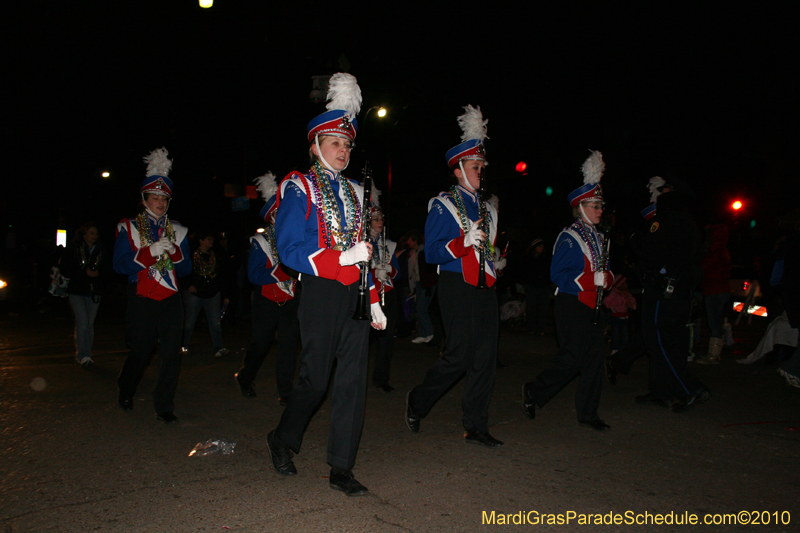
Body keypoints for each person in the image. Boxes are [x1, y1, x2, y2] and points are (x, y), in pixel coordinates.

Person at [265, 73, 386, 497]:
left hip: (356, 292)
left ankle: (341, 467)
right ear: (316, 145)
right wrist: (341, 259)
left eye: (347, 144)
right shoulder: (299, 186)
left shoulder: (356, 192)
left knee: (353, 382)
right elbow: (289, 249)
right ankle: (282, 438)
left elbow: (365, 250)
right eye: (335, 142)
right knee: (315, 381)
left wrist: (374, 298)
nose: (343, 150)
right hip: (320, 289)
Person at [405, 105, 504, 448]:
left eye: (483, 167)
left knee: (485, 359)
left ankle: (476, 426)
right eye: (476, 167)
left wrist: (495, 260)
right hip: (456, 285)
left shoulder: (489, 209)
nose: (481, 172)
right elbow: (432, 253)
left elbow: (486, 248)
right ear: (459, 170)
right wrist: (463, 242)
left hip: (485, 288)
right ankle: (418, 400)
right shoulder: (443, 204)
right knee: (459, 355)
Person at [522, 150, 614, 431]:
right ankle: (534, 390)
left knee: (594, 362)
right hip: (572, 305)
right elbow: (558, 275)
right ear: (581, 207)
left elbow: (606, 272)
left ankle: (588, 414)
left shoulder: (600, 238)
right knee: (572, 360)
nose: (600, 210)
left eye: (601, 205)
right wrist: (592, 280)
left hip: (595, 306)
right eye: (595, 206)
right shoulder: (569, 237)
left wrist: (607, 279)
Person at [113, 147, 191, 423]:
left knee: (171, 353)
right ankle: (126, 387)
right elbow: (120, 265)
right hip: (142, 296)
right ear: (144, 199)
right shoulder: (129, 226)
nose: (160, 202)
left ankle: (164, 405)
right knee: (142, 350)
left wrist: (174, 252)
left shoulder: (178, 230)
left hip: (170, 298)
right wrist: (149, 253)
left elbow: (186, 270)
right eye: (155, 197)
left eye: (164, 198)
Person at [631, 175, 709, 412]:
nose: (659, 193)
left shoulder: (668, 219)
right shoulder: (688, 221)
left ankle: (690, 389)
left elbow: (652, 250)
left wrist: (636, 240)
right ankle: (661, 391)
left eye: (663, 189)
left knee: (658, 341)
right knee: (668, 341)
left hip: (664, 289)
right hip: (678, 290)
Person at [236, 172, 301, 404]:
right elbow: (254, 275)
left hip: (291, 300)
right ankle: (245, 377)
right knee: (261, 345)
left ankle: (285, 392)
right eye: (278, 214)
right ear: (271, 218)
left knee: (288, 347)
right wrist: (281, 272)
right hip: (266, 301)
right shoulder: (260, 242)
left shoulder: (296, 241)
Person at [60, 222, 108, 367]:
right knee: (83, 322)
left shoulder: (101, 250)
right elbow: (65, 269)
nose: (94, 236)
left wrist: (98, 274)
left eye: (96, 233)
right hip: (77, 291)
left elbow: (108, 270)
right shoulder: (74, 249)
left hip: (94, 292)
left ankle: (87, 354)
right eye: (91, 233)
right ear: (84, 234)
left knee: (89, 324)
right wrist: (83, 273)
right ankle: (82, 355)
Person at [368, 192, 401, 392]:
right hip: (369, 295)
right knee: (364, 338)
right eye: (376, 219)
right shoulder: (362, 242)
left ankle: (381, 378)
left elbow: (398, 274)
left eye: (381, 219)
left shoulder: (388, 244)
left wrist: (389, 269)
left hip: (388, 294)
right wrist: (374, 272)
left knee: (387, 340)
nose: (380, 222)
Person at [181, 230, 230, 358]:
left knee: (215, 322)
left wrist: (224, 294)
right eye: (208, 239)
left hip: (212, 293)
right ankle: (183, 344)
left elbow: (222, 275)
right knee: (189, 322)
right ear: (201, 241)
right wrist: (188, 284)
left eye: (212, 239)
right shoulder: (192, 255)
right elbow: (183, 271)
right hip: (195, 293)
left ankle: (218, 347)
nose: (211, 241)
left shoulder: (216, 255)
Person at [695, 223, 732, 364]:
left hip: (715, 290)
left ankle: (713, 355)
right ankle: (715, 353)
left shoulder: (715, 253)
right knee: (716, 321)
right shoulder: (722, 251)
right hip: (719, 289)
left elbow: (706, 270)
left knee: (714, 321)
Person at [408, 233, 438, 344]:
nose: (408, 242)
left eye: (410, 240)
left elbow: (429, 270)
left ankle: (429, 333)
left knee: (421, 308)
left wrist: (428, 285)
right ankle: (423, 334)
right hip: (420, 283)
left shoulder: (424, 251)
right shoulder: (415, 253)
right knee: (419, 308)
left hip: (427, 284)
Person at [521, 238, 551, 335]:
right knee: (531, 307)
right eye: (539, 246)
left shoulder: (546, 257)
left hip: (544, 286)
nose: (541, 248)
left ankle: (540, 328)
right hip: (531, 286)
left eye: (542, 246)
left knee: (543, 308)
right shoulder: (528, 258)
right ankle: (531, 328)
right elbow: (524, 271)